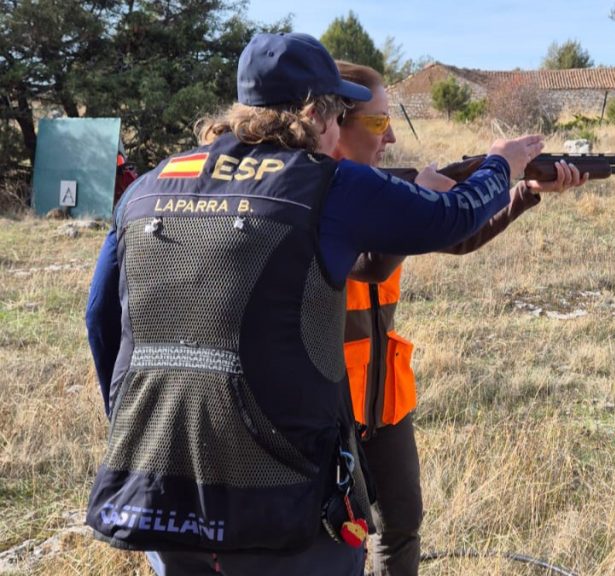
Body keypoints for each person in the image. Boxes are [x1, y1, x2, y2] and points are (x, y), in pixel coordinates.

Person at [83, 32, 544, 576]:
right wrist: (502, 163)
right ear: (319, 115)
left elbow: (100, 316)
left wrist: (133, 419)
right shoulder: (326, 184)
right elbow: (453, 217)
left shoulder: (151, 185)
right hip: (283, 499)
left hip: (161, 483)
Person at [331, 61, 586, 576]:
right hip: (331, 406)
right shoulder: (316, 198)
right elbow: (374, 262)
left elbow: (457, 236)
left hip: (384, 398)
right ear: (334, 124)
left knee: (401, 525)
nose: (392, 136)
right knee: (341, 536)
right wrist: (430, 199)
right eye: (380, 123)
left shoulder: (380, 192)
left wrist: (524, 193)